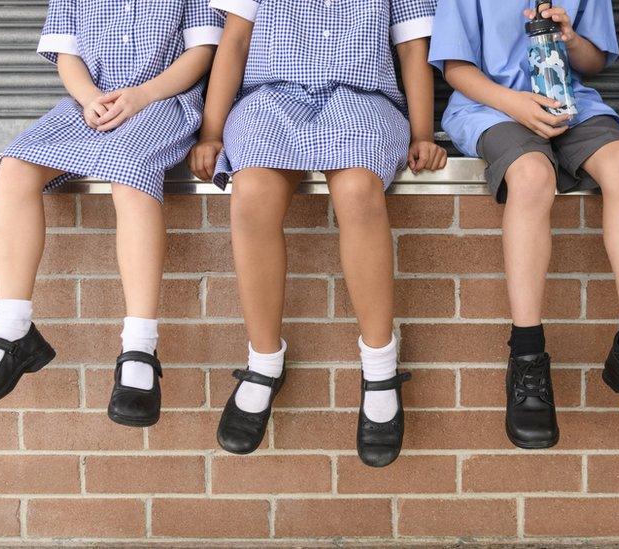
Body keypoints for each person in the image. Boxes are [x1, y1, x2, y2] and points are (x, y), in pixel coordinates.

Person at [190, 0, 446, 466]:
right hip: (271, 100)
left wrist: (423, 132)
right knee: (251, 195)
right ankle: (264, 362)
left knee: (358, 193)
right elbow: (236, 40)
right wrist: (210, 133)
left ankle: (380, 368)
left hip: (362, 101)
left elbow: (412, 49)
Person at [430, 0, 619, 451]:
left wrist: (571, 37)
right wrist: (515, 103)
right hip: (490, 104)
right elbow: (455, 68)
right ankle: (527, 356)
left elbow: (595, 60)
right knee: (532, 175)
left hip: (569, 102)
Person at [0, 0, 223, 428]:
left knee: (130, 172)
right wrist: (89, 98)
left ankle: (140, 346)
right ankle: (13, 330)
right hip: (90, 102)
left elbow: (201, 52)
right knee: (14, 168)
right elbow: (68, 54)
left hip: (159, 101)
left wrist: (144, 94)